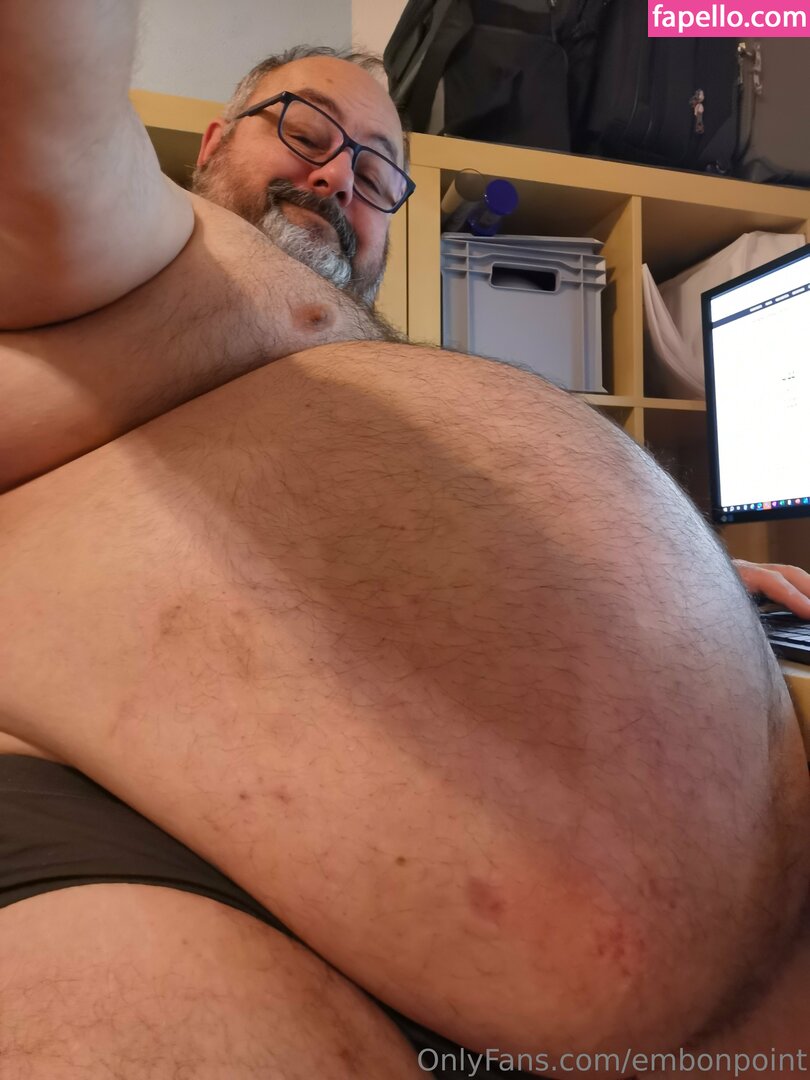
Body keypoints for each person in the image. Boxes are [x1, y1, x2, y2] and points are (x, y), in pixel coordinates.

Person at [0, 4, 808, 1076]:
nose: (340, 176)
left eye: (379, 171)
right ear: (212, 141)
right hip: (131, 832)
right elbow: (46, 128)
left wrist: (694, 589)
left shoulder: (336, 350)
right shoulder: (146, 251)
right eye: (305, 129)